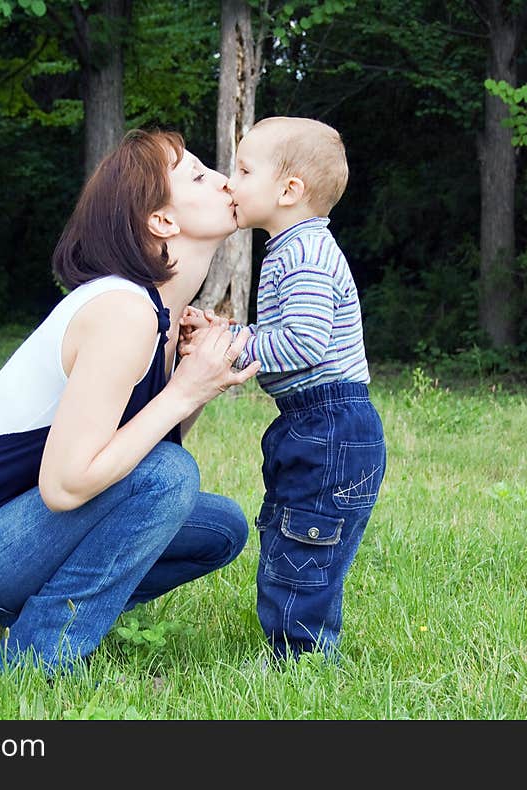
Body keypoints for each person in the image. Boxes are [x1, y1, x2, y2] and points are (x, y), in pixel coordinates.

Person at [0, 129, 261, 676]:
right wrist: (185, 389)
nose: (223, 179)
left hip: (21, 531)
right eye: (197, 175)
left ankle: (35, 615)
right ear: (162, 222)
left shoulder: (157, 316)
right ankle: (37, 659)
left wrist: (192, 383)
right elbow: (68, 485)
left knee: (220, 528)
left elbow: (134, 459)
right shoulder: (123, 311)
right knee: (169, 476)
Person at [180, 116, 387, 662]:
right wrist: (227, 334)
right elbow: (287, 334)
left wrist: (234, 348)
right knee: (288, 530)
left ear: (289, 190)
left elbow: (303, 344)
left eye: (244, 169)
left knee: (306, 542)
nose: (230, 180)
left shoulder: (306, 254)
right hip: (312, 423)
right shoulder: (291, 248)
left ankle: (303, 659)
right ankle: (293, 645)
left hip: (331, 426)